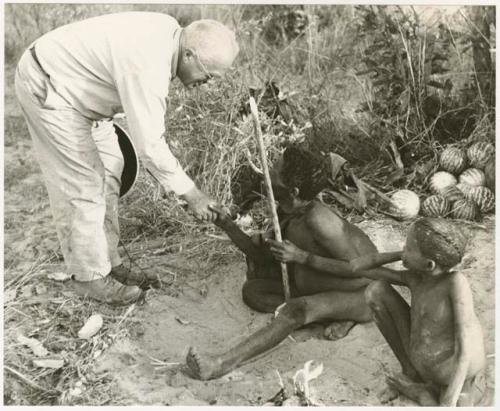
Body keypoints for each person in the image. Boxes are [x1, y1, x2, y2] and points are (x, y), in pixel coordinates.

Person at [15, 12, 239, 305]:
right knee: (84, 184)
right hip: (53, 88)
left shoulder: (170, 34)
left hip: (83, 93)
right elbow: (150, 146)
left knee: (112, 167)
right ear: (189, 54)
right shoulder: (148, 63)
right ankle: (90, 279)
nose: (206, 83)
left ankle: (109, 261)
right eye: (208, 75)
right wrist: (193, 195)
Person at [185, 146, 400, 380]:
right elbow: (260, 257)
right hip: (321, 284)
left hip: (365, 293)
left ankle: (220, 363)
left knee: (296, 311)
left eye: (275, 170)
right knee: (253, 291)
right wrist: (226, 224)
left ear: (293, 190)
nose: (267, 172)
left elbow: (364, 270)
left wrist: (303, 257)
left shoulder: (319, 219)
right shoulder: (286, 211)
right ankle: (331, 314)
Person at [352, 217, 486, 406]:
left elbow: (465, 347)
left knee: (457, 404)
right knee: (376, 290)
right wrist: (403, 254)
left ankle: (420, 393)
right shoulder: (414, 278)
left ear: (429, 265)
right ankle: (410, 372)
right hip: (423, 365)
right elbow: (357, 267)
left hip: (457, 377)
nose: (402, 248)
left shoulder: (455, 283)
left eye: (407, 246)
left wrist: (449, 399)